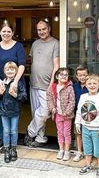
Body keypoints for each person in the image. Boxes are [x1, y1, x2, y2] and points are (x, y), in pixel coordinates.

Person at [0, 23, 26, 151]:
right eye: (4, 31)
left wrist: (15, 81)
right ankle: (2, 138)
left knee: (12, 114)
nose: (6, 33)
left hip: (13, 87)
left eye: (9, 31)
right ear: (0, 32)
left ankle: (12, 144)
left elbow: (21, 65)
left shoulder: (18, 46)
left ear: (12, 32)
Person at [25, 19, 60, 147]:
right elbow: (34, 62)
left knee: (44, 112)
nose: (41, 32)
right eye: (39, 30)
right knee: (36, 112)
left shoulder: (56, 43)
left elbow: (56, 65)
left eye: (44, 29)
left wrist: (52, 84)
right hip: (34, 83)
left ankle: (30, 132)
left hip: (47, 85)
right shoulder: (35, 44)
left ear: (49, 28)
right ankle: (40, 138)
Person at [75, 74, 99, 176]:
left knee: (98, 148)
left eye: (94, 83)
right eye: (89, 83)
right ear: (86, 85)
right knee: (87, 147)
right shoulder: (83, 97)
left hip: (96, 128)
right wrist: (77, 123)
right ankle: (88, 165)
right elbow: (79, 111)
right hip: (85, 127)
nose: (92, 85)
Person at [0, 62, 27, 163]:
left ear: (16, 71)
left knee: (13, 130)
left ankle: (13, 148)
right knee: (6, 130)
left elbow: (24, 97)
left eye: (12, 69)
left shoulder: (19, 83)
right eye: (8, 69)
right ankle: (6, 148)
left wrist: (15, 95)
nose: (10, 71)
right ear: (4, 71)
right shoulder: (2, 83)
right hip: (4, 111)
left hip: (15, 110)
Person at [47, 67, 75, 161]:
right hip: (58, 114)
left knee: (66, 133)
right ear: (57, 76)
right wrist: (52, 108)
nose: (64, 76)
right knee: (60, 132)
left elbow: (72, 101)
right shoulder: (53, 87)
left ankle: (67, 151)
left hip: (67, 115)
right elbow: (49, 98)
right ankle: (61, 150)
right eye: (62, 74)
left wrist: (67, 112)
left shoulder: (69, 87)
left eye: (66, 75)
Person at [72, 65, 89, 162]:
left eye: (84, 75)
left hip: (89, 114)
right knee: (78, 133)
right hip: (77, 114)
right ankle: (79, 152)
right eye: (80, 75)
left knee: (87, 133)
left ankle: (88, 152)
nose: (82, 77)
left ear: (88, 75)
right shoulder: (74, 86)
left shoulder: (90, 86)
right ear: (76, 76)